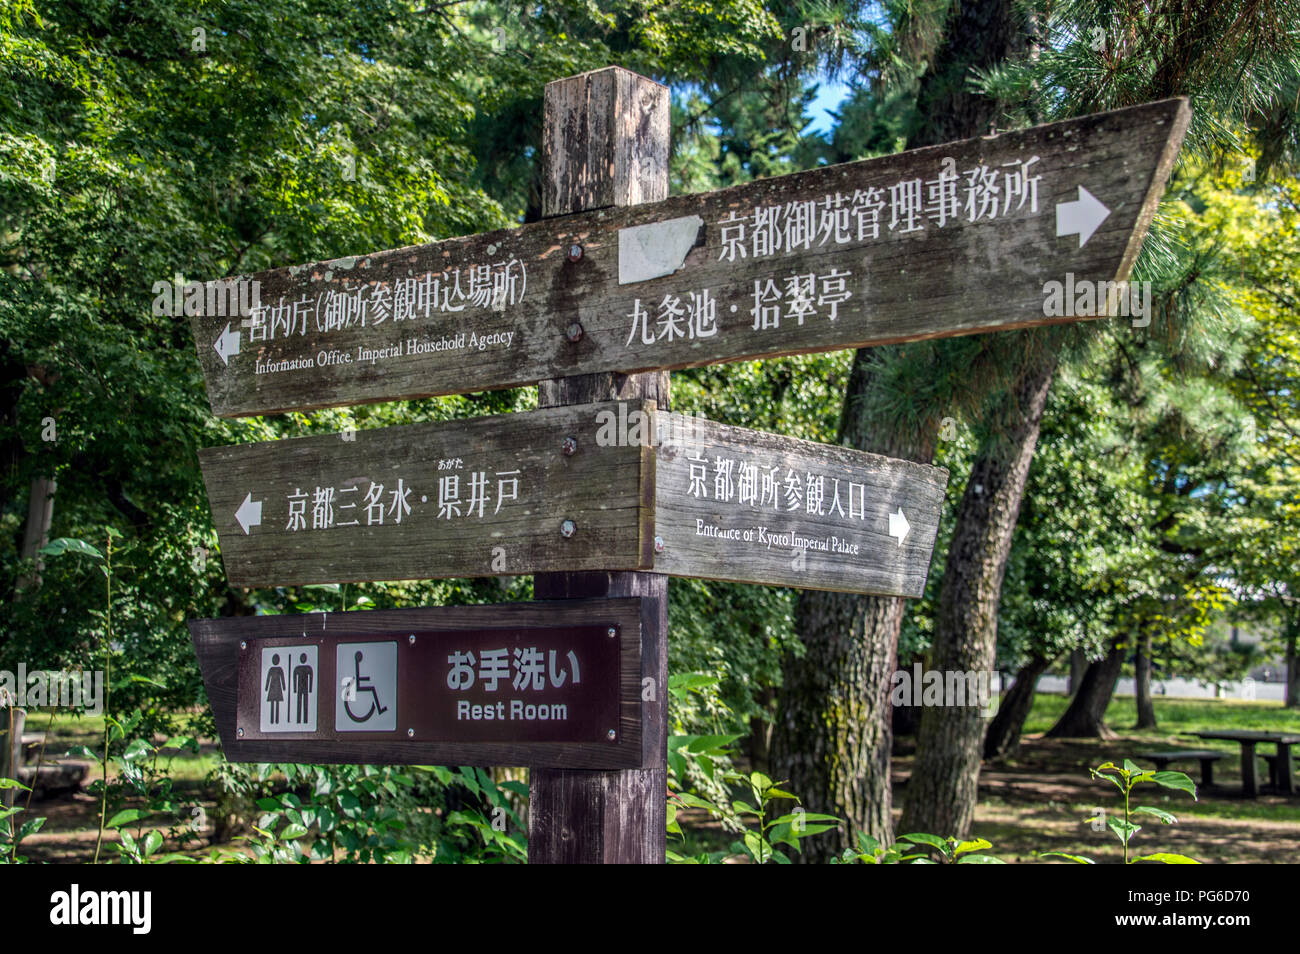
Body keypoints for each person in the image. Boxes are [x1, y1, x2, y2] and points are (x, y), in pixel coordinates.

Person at [265, 653, 286, 724]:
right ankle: (272, 720)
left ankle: (276, 720)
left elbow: (282, 678)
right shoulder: (271, 669)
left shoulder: (280, 669)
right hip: (273, 687)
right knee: (272, 703)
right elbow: (268, 679)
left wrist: (284, 687)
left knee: (276, 703)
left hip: (277, 688)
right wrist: (266, 688)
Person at [293, 652, 313, 724]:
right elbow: (294, 678)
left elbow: (311, 677)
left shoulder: (308, 668)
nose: (303, 659)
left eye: (304, 658)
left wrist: (310, 689)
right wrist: (294, 689)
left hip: (305, 689)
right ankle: (298, 720)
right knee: (299, 703)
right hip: (300, 689)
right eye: (302, 658)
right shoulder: (297, 668)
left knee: (305, 704)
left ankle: (305, 720)